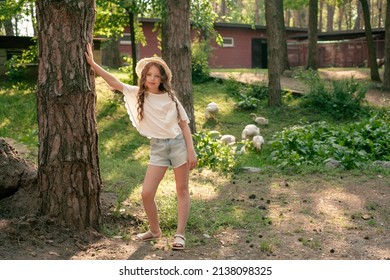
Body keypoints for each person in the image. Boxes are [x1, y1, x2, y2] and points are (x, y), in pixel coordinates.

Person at [85, 43, 197, 250]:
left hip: (178, 145)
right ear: (144, 76)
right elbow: (114, 82)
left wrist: (191, 150)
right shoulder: (138, 94)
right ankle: (154, 231)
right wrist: (92, 64)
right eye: (149, 75)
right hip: (158, 148)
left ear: (163, 79)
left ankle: (180, 234)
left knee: (182, 190)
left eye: (157, 75)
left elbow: (184, 124)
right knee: (146, 193)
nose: (152, 79)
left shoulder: (171, 98)